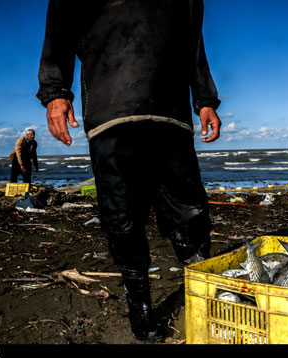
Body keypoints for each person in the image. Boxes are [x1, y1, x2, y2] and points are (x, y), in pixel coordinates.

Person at [36, 0, 222, 341]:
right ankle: (141, 310)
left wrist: (205, 98)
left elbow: (192, 41)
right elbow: (60, 22)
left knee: (190, 215)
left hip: (172, 113)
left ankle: (203, 299)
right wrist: (55, 91)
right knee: (122, 219)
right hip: (112, 110)